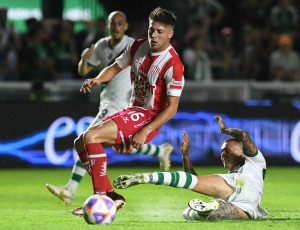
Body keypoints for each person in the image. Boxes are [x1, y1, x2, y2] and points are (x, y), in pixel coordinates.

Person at [45, 10, 174, 208]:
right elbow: (97, 68)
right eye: (151, 30)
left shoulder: (169, 61)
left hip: (125, 105)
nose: (154, 35)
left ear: (126, 26)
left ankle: (86, 194)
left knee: (90, 139)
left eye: (120, 24)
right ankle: (113, 193)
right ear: (107, 25)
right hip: (114, 103)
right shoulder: (108, 45)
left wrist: (147, 128)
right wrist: (91, 71)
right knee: (83, 142)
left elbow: (172, 107)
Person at [114, 116, 268, 221]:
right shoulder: (234, 172)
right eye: (221, 152)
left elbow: (244, 135)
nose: (223, 154)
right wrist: (185, 156)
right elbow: (194, 181)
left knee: (193, 199)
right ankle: (213, 207)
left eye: (227, 150)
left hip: (246, 184)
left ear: (241, 152)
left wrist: (224, 130)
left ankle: (148, 177)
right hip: (248, 207)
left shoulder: (254, 161)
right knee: (193, 214)